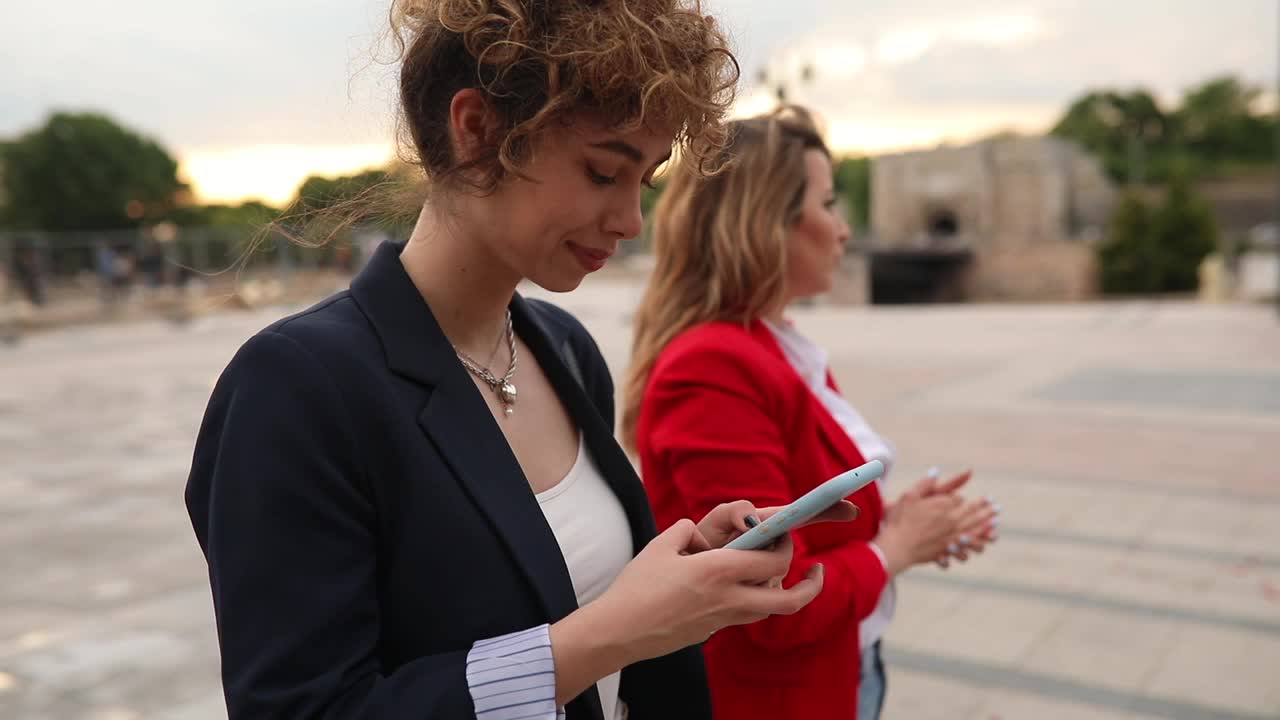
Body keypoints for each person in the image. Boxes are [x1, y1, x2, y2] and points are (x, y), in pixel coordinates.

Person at [184, 4, 857, 719]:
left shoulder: (563, 349)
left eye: (647, 182)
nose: (632, 220)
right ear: (476, 131)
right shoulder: (297, 387)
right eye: (604, 172)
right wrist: (610, 634)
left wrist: (685, 573)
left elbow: (562, 580)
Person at [623, 106, 1000, 720]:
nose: (844, 230)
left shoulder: (775, 342)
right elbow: (761, 594)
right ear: (766, 222)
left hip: (841, 668)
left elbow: (805, 515)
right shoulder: (713, 364)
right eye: (829, 205)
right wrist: (894, 550)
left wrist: (908, 522)